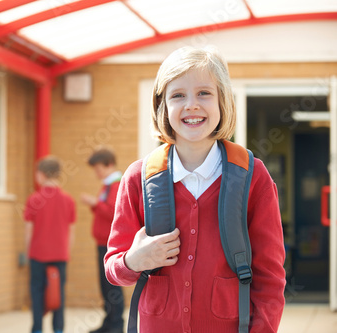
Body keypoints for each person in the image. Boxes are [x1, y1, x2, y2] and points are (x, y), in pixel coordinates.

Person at [104, 46, 286, 332]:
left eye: (204, 93)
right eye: (178, 95)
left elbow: (270, 278)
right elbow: (114, 268)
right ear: (162, 106)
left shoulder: (252, 176)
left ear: (222, 102)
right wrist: (133, 260)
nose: (191, 105)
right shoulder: (138, 177)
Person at [24, 156, 76, 333]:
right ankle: (59, 329)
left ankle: (37, 329)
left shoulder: (33, 199)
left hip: (38, 254)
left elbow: (28, 231)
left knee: (37, 293)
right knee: (58, 294)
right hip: (60, 255)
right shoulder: (68, 200)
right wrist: (67, 252)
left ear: (41, 174)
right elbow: (72, 232)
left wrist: (27, 252)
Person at [81, 148, 125, 333]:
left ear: (109, 165)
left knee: (111, 284)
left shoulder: (115, 185)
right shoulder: (107, 185)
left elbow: (114, 212)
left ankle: (115, 323)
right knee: (104, 284)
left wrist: (94, 203)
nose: (97, 174)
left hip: (110, 243)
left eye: (99, 169)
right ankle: (109, 321)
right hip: (102, 242)